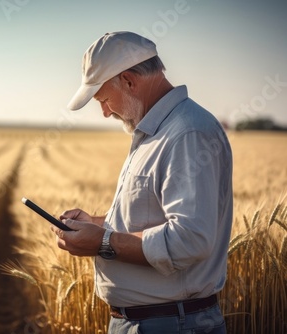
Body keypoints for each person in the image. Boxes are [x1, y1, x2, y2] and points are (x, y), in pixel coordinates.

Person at [52, 31, 233, 334]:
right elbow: (150, 217)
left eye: (104, 99)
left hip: (172, 324)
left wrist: (102, 242)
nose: (105, 112)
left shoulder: (187, 133)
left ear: (129, 81)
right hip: (154, 322)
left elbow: (190, 239)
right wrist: (100, 225)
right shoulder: (156, 132)